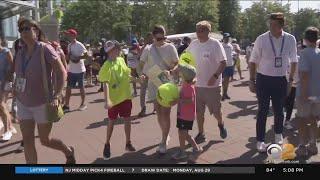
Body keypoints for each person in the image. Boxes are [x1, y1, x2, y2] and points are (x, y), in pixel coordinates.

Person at [15, 18, 75, 163]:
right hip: (23, 103)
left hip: (43, 103)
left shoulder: (44, 49)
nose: (24, 32)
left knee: (45, 140)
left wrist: (57, 95)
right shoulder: (20, 52)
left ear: (36, 30)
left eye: (27, 28)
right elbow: (18, 76)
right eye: (21, 29)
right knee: (28, 140)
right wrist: (14, 98)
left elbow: (61, 72)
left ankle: (68, 152)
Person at [249, 13, 298, 152]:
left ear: (281, 26)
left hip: (281, 80)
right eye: (270, 24)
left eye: (274, 25)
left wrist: (290, 81)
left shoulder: (290, 39)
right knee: (262, 111)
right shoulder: (262, 39)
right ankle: (260, 140)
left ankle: (278, 135)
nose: (271, 27)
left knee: (279, 111)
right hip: (263, 79)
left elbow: (294, 60)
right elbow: (253, 61)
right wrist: (251, 80)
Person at [186, 20, 228, 144]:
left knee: (216, 112)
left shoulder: (215, 44)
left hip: (213, 86)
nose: (198, 33)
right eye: (197, 30)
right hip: (197, 85)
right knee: (199, 112)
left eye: (202, 30)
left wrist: (214, 76)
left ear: (208, 31)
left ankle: (220, 124)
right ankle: (201, 133)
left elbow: (223, 63)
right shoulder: (193, 44)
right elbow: (186, 58)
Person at [140, 25, 179, 154]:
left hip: (166, 83)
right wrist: (142, 74)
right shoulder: (148, 49)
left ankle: (163, 140)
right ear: (153, 37)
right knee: (158, 112)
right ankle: (165, 134)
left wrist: (172, 70)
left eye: (163, 37)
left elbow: (177, 63)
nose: (161, 40)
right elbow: (140, 66)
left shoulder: (170, 47)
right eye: (158, 38)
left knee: (166, 112)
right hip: (152, 83)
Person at [98, 40, 137, 159]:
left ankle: (128, 143)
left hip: (126, 96)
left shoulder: (121, 60)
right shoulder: (106, 66)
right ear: (109, 51)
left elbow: (127, 75)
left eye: (118, 49)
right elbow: (105, 84)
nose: (118, 51)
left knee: (127, 120)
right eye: (116, 49)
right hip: (114, 100)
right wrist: (107, 100)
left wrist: (137, 80)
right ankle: (107, 144)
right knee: (111, 122)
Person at [295, 27, 320, 157]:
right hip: (317, 94)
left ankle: (302, 146)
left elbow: (304, 75)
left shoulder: (304, 53)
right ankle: (313, 144)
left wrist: (304, 95)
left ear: (305, 39)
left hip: (306, 93)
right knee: (314, 120)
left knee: (302, 120)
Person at [171, 64, 203, 160]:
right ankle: (189, 150)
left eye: (181, 73)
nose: (179, 73)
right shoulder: (186, 84)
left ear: (184, 76)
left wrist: (178, 100)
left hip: (186, 116)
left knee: (183, 133)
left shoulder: (188, 87)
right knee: (183, 133)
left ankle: (187, 150)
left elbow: (190, 100)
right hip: (183, 114)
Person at [63, 28, 88, 112]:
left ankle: (83, 103)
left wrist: (78, 57)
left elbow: (86, 55)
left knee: (81, 87)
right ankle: (66, 105)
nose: (68, 36)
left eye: (69, 34)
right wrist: (68, 57)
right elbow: (68, 57)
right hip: (71, 70)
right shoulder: (69, 45)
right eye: (67, 35)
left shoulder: (80, 45)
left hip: (80, 70)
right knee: (68, 88)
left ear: (74, 35)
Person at [0, 37, 16, 141]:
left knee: (1, 104)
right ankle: (10, 126)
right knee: (2, 107)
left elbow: (12, 67)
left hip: (5, 82)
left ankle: (7, 131)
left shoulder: (6, 51)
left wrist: (6, 81)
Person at [138, 32, 154, 117]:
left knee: (156, 90)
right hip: (145, 72)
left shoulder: (156, 46)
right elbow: (140, 56)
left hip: (155, 71)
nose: (151, 39)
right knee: (143, 91)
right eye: (149, 38)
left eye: (152, 37)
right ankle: (143, 108)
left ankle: (155, 107)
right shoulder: (145, 47)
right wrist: (144, 45)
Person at [221, 33, 234, 101]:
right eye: (226, 37)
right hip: (223, 66)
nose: (227, 38)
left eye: (228, 37)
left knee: (227, 80)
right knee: (222, 81)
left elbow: (231, 54)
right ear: (223, 38)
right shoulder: (221, 45)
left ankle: (225, 94)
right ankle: (222, 94)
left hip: (230, 65)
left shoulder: (230, 45)